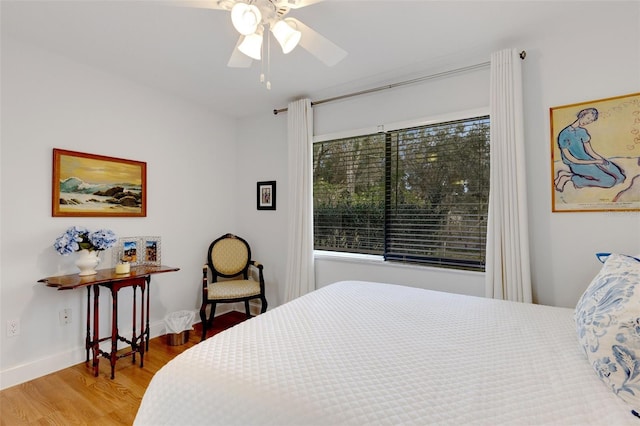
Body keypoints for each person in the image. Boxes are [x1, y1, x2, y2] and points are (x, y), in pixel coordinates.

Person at [555, 107, 626, 192]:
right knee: (609, 181)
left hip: (590, 159)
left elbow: (590, 151)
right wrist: (596, 162)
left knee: (621, 178)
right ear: (582, 114)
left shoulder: (583, 132)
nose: (587, 122)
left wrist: (601, 160)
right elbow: (572, 159)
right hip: (577, 164)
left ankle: (566, 174)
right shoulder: (564, 134)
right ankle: (568, 178)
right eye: (588, 118)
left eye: (590, 121)